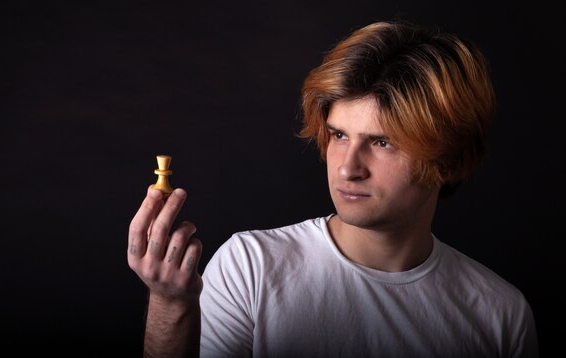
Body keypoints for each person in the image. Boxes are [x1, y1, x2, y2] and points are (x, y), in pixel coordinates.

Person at [127, 20, 539, 357]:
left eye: (383, 142)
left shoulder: (500, 315)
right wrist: (171, 307)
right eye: (340, 135)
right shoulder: (249, 267)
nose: (347, 168)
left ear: (448, 161)